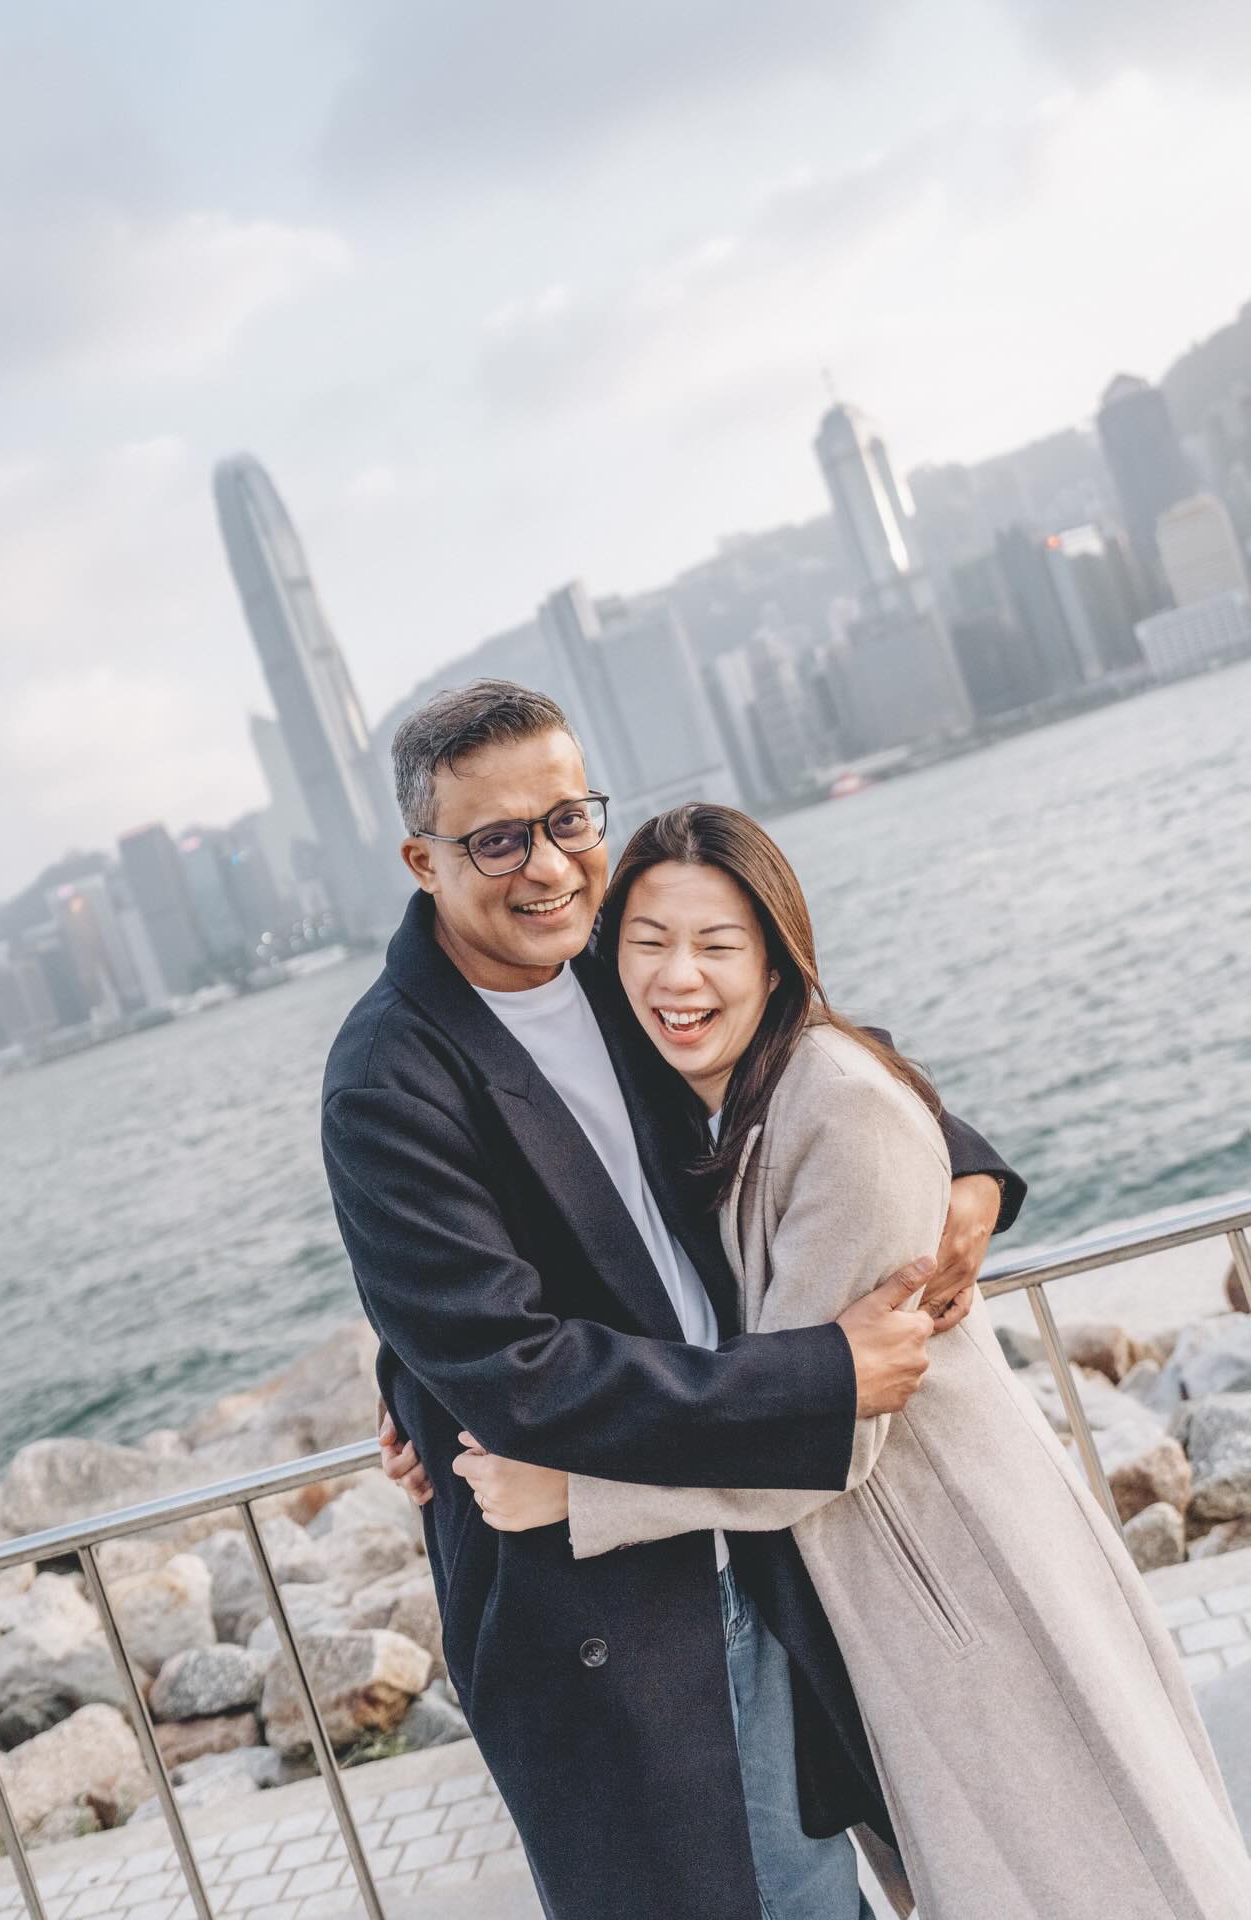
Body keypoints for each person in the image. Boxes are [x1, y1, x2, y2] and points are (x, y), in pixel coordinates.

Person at [454, 802, 1251, 1920]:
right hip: (877, 1581)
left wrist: (574, 1495)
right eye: (646, 943)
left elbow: (818, 1434)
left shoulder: (833, 1106)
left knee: (1090, 1869)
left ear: (778, 960)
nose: (677, 977)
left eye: (718, 945)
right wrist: (419, 1401)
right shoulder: (698, 1092)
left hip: (956, 1568)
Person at [322, 679, 1024, 1920]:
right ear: (420, 860)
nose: (546, 867)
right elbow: (518, 1372)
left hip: (762, 1530)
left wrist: (960, 1161)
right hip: (612, 1602)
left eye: (568, 820)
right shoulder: (387, 1080)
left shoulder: (620, 965)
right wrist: (821, 1376)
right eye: (497, 839)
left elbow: (797, 1048)